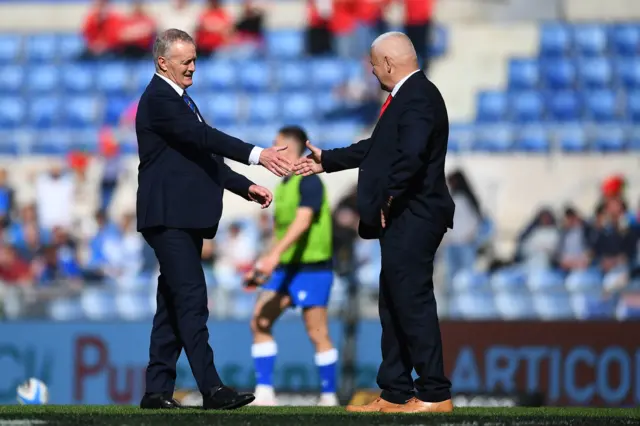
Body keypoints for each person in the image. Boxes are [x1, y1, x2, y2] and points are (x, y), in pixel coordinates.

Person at [294, 32, 455, 414]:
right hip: (403, 215)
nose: (369, 69)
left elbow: (412, 156)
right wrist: (328, 160)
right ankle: (396, 392)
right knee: (394, 301)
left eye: (372, 62)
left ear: (387, 63)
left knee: (411, 300)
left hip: (413, 214)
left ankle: (434, 394)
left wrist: (389, 195)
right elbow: (379, 148)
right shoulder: (405, 98)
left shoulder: (418, 98)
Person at [136, 28, 291, 410]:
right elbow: (204, 138)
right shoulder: (160, 98)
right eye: (185, 61)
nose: (192, 67)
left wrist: (244, 186)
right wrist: (257, 154)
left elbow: (203, 155)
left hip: (181, 217)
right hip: (168, 216)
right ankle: (212, 388)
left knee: (172, 304)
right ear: (163, 63)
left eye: (194, 60)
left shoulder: (181, 99)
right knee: (191, 299)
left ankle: (157, 391)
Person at [244, 126, 338, 407]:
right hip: (284, 269)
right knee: (259, 320)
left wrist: (274, 257)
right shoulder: (283, 187)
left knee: (317, 331)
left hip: (312, 268)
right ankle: (264, 392)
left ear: (289, 147)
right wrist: (264, 263)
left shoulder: (308, 181)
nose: (272, 149)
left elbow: (303, 221)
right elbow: (281, 231)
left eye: (276, 144)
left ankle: (329, 396)